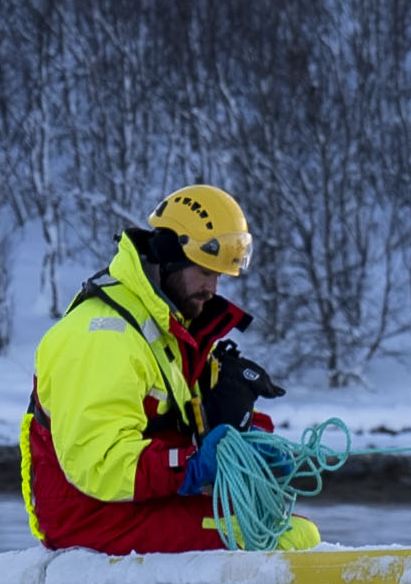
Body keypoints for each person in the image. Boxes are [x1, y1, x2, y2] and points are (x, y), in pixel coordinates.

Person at [20, 184, 313, 554]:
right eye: (204, 271)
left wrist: (251, 440)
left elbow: (186, 423)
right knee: (279, 537)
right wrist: (194, 464)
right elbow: (99, 464)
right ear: (168, 256)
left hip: (134, 502)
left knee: (277, 521)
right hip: (92, 516)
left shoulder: (164, 327)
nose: (212, 288)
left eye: (218, 276)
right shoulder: (103, 337)